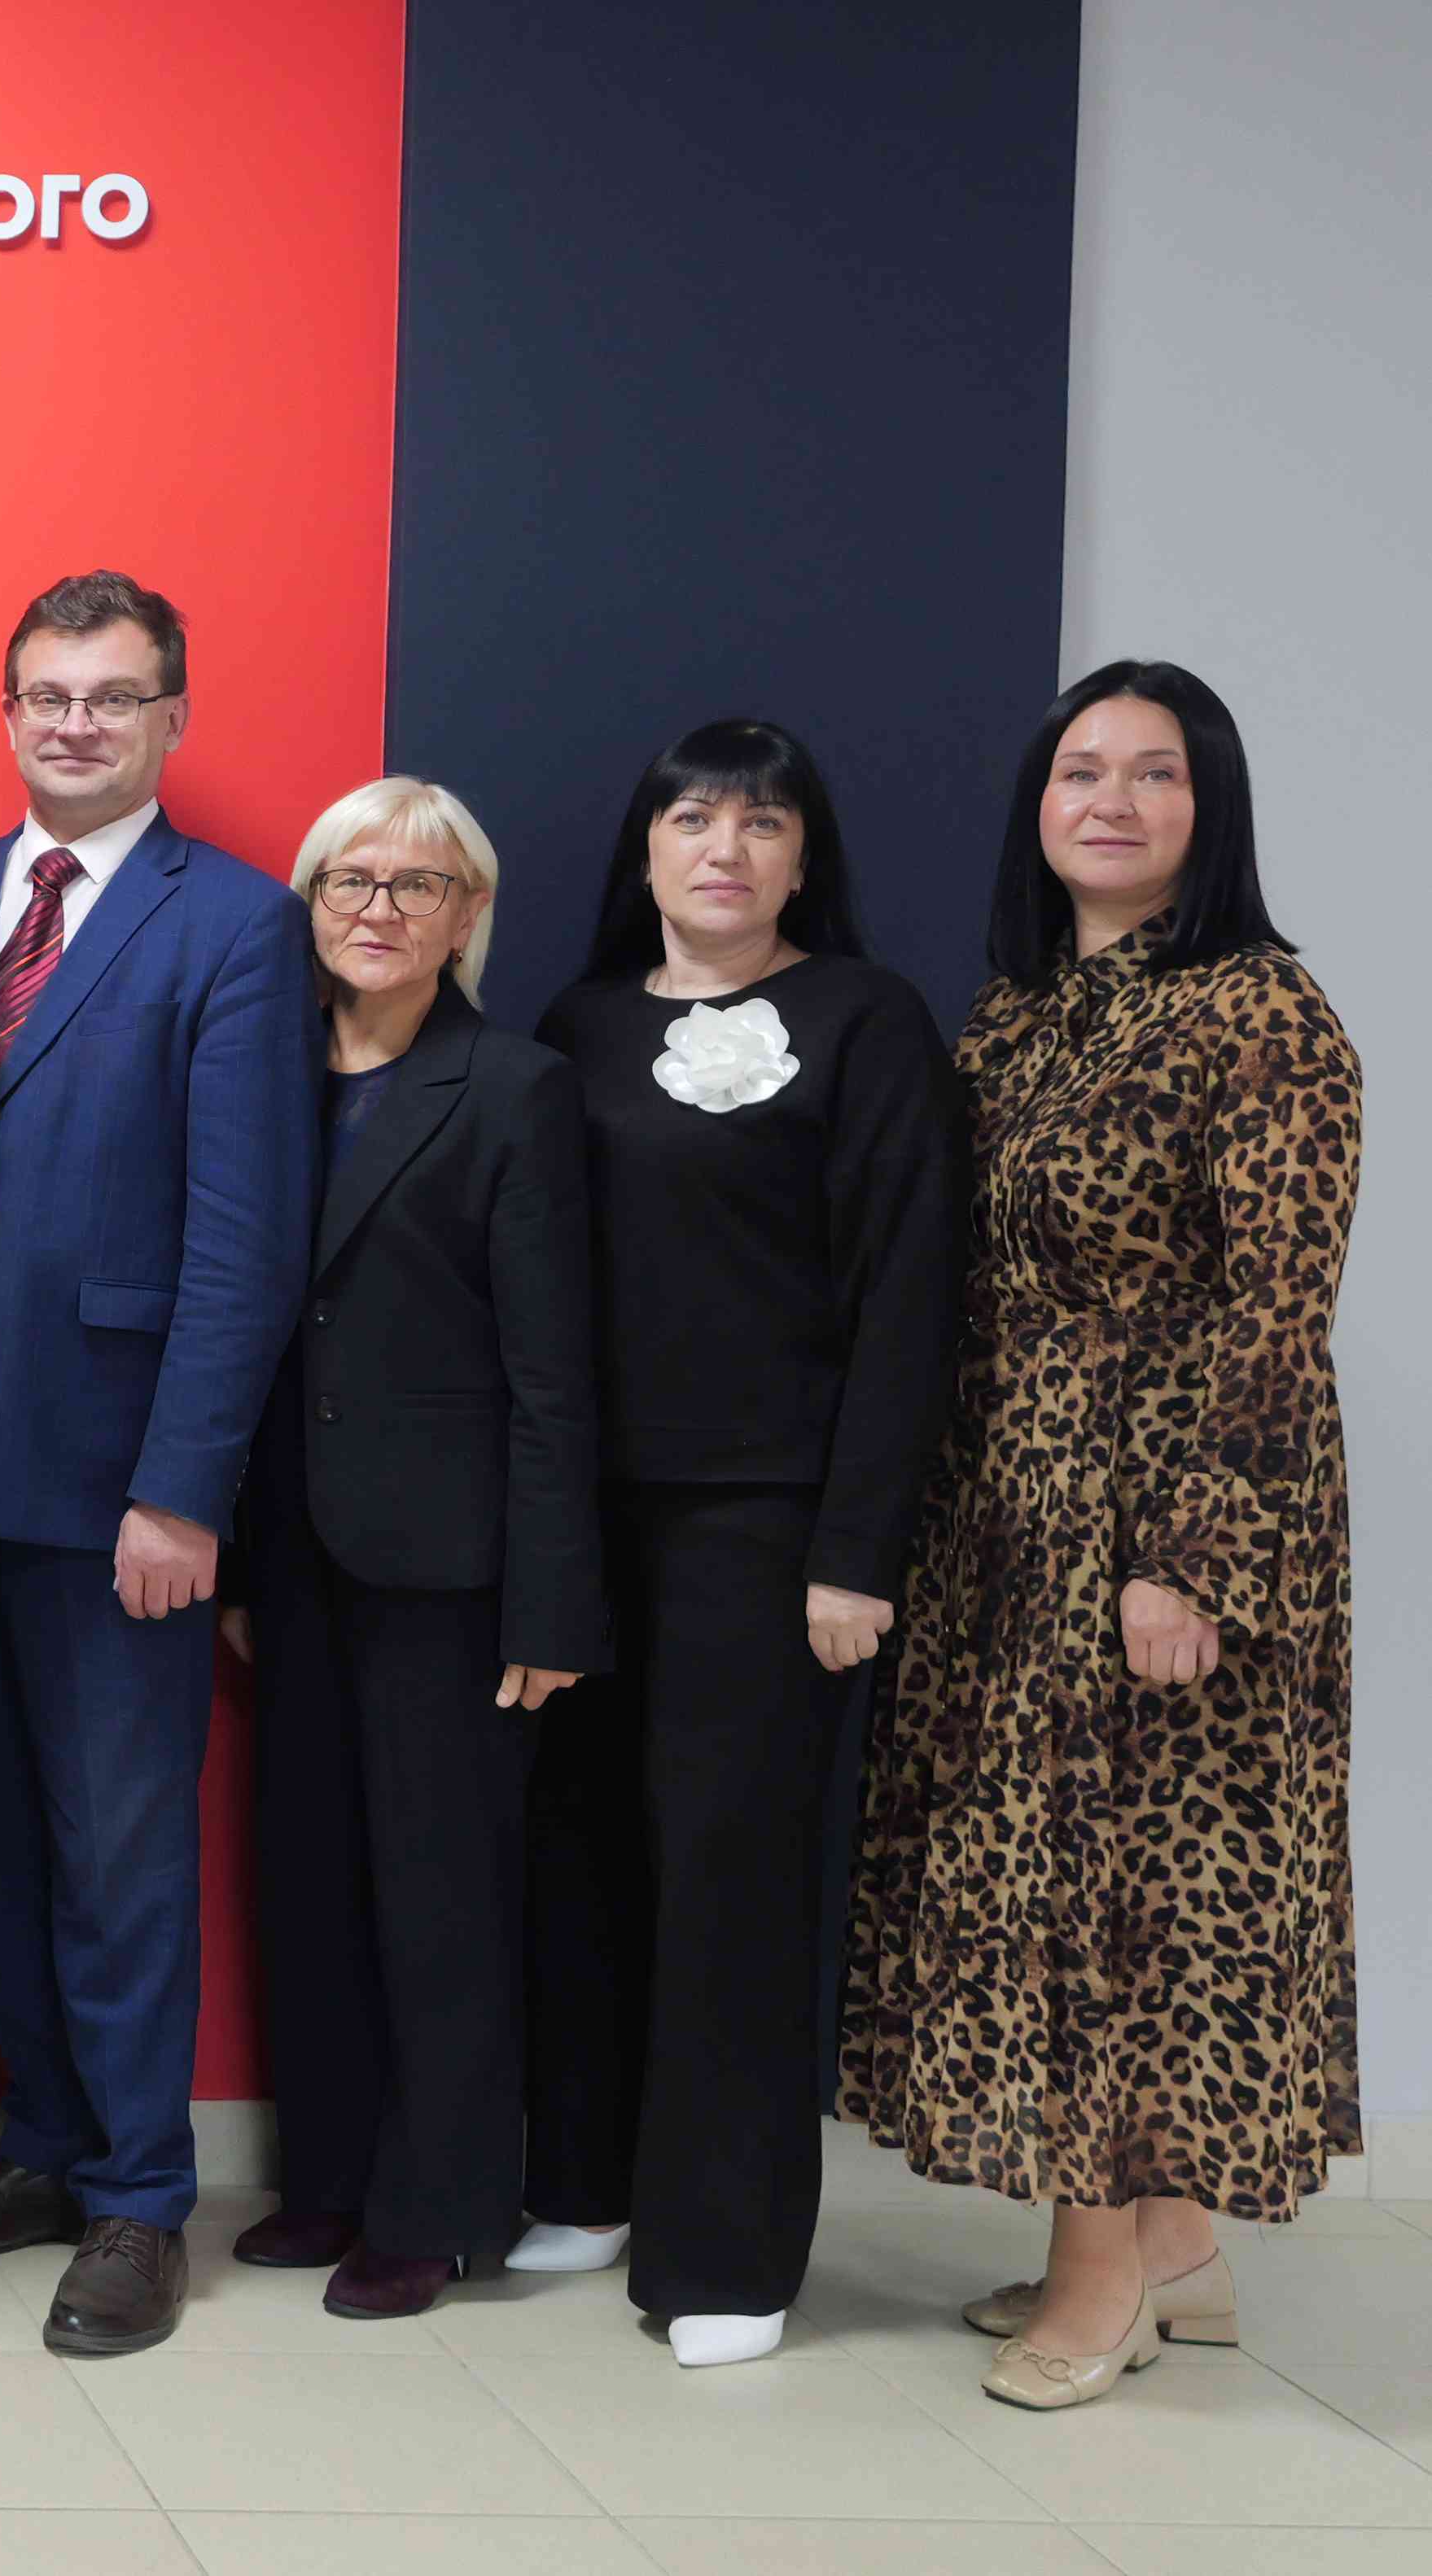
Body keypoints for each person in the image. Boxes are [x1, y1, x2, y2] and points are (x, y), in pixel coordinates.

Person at [842, 663, 1358, 2412]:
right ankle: (1178, 2244)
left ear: (1209, 807)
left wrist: (1192, 1558)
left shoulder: (1261, 1012)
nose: (1112, 802)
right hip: (1008, 1511)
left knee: (1117, 1896)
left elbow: (1277, 1312)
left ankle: (1103, 2272)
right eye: (1081, 770)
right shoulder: (1020, 1012)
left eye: (1154, 772)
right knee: (1049, 1870)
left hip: (1165, 1516)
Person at [0, 571, 312, 2358]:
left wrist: (183, 1488)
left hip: (117, 1484)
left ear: (170, 721)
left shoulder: (241, 925)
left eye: (112, 698)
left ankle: (140, 2197)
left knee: (121, 1857)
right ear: (5, 712)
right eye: (47, 695)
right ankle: (46, 2151)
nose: (75, 724)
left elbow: (244, 1238)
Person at [528, 719, 960, 2369]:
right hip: (582, 1514)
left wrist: (855, 1549)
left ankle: (723, 2252)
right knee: (580, 1851)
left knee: (728, 1876)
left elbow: (907, 1298)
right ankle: (586, 2181)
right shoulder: (576, 1022)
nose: (724, 848)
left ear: (801, 857)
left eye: (761, 823)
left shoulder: (864, 1021)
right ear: (643, 847)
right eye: (693, 818)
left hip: (768, 1526)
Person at [213, 778, 606, 2320]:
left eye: (417, 885)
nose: (377, 909)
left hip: (453, 1563)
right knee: (309, 1873)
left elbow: (551, 1367)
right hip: (291, 1548)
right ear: (308, 903)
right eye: (349, 879)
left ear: (467, 916)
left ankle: (435, 2209)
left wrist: (551, 1598)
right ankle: (326, 2177)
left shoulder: (512, 1087)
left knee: (440, 1893)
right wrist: (234, 1553)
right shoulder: (260, 1069)